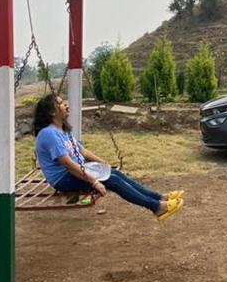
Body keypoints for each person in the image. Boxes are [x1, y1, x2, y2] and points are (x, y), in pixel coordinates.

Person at [32, 93, 184, 220]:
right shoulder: (49, 134)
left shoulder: (62, 130)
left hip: (76, 171)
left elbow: (83, 152)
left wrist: (104, 164)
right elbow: (68, 165)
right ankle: (156, 207)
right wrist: (94, 181)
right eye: (61, 103)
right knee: (114, 180)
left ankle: (159, 198)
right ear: (52, 112)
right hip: (63, 179)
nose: (66, 105)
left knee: (115, 173)